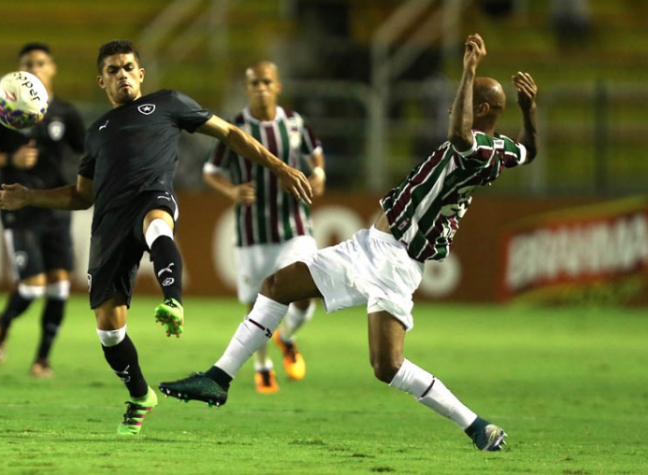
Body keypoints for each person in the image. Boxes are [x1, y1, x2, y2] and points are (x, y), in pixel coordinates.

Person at [159, 34, 538, 452]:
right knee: (276, 286)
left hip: (396, 262)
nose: (452, 105)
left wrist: (468, 71)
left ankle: (477, 426)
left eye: (461, 99)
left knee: (387, 366)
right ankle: (219, 377)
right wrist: (529, 109)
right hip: (368, 246)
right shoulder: (503, 150)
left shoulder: (478, 151)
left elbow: (462, 135)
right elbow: (529, 150)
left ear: (480, 109)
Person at [0, 39, 312, 435]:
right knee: (109, 329)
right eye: (113, 70)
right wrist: (29, 196)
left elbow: (229, 134)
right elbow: (81, 196)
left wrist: (278, 166)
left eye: (128, 67)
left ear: (140, 74)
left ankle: (173, 301)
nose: (122, 75)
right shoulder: (97, 132)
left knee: (158, 224)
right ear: (101, 81)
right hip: (108, 223)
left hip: (152, 196)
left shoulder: (169, 103)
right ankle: (140, 394)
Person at [204, 61, 326, 393]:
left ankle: (287, 338)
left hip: (294, 226)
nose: (260, 88)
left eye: (266, 82)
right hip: (252, 232)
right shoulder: (234, 127)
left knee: (306, 291)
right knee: (256, 304)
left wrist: (319, 175)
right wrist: (231, 191)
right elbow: (210, 170)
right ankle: (263, 366)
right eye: (254, 83)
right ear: (247, 88)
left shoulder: (296, 124)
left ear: (277, 86)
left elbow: (316, 154)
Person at [0, 42, 86, 378]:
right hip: (18, 207)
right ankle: (3, 321)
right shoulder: (4, 109)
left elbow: (86, 153)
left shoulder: (65, 112)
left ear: (52, 69)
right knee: (32, 287)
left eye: (41, 62)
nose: (36, 68)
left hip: (54, 205)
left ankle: (42, 361)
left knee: (60, 286)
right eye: (28, 63)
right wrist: (12, 160)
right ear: (19, 70)